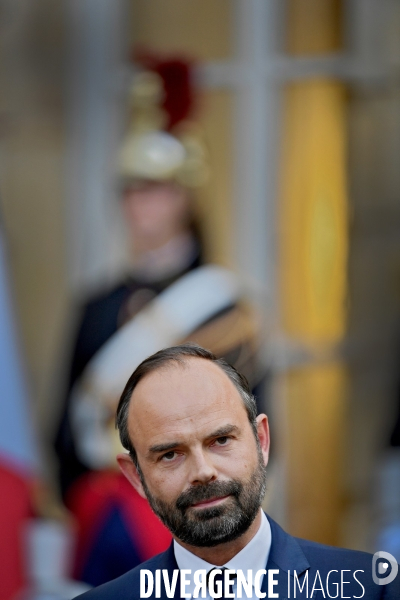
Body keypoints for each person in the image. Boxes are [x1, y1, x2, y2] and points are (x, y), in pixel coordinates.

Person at [54, 59, 265, 587]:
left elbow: (250, 423)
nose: (140, 206)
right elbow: (64, 423)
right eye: (130, 191)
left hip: (196, 512)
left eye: (156, 190)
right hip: (104, 510)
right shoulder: (96, 305)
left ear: (184, 197)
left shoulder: (221, 307)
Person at [77, 344, 399, 599]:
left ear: (261, 441)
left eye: (220, 440)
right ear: (136, 476)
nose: (203, 471)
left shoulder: (375, 589)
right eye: (171, 454)